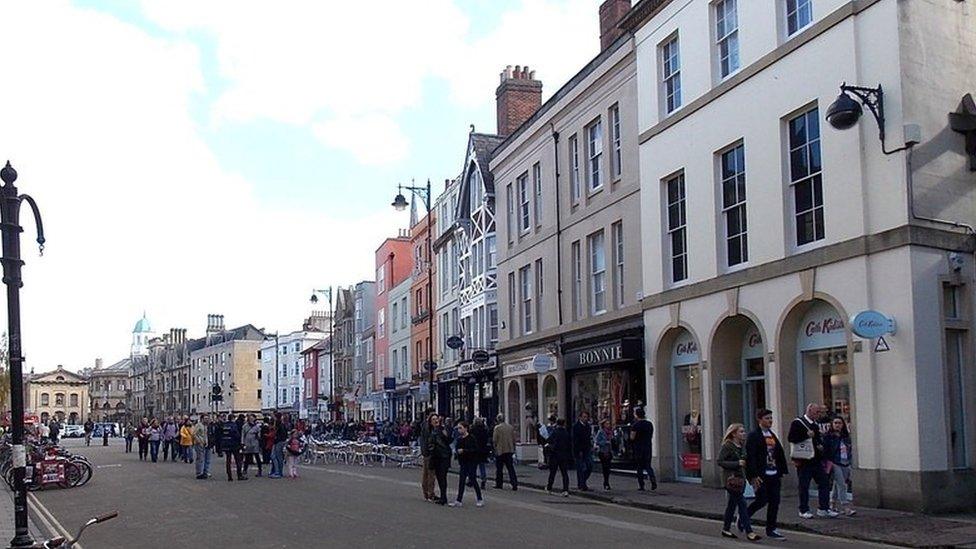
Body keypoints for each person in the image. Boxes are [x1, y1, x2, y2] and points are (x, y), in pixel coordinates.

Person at [746, 408, 789, 541]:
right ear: (759, 420)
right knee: (762, 500)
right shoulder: (754, 436)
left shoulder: (772, 435)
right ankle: (744, 516)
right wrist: (753, 475)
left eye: (771, 418)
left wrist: (781, 470)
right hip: (761, 475)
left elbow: (778, 453)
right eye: (767, 418)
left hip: (774, 473)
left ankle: (771, 529)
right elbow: (751, 457)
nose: (770, 421)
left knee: (775, 501)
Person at [788, 403, 837, 519]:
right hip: (804, 460)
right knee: (804, 485)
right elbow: (791, 438)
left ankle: (823, 508)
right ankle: (803, 509)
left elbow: (816, 439)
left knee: (824, 482)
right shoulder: (797, 423)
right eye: (816, 412)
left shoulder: (815, 425)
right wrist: (805, 435)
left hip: (816, 460)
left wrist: (820, 446)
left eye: (819, 412)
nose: (818, 415)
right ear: (809, 411)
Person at [719, 423, 760, 541]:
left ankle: (726, 529)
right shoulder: (727, 446)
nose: (744, 433)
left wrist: (751, 477)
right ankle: (749, 532)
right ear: (734, 434)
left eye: (744, 431)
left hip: (740, 480)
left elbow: (745, 463)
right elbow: (720, 461)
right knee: (742, 504)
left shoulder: (742, 446)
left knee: (732, 505)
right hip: (730, 480)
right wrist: (736, 464)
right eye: (741, 432)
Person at [824, 416, 855, 516]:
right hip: (835, 462)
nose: (837, 425)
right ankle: (845, 506)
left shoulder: (846, 437)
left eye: (840, 423)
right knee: (841, 484)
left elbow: (849, 449)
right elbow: (827, 450)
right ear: (832, 425)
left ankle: (832, 503)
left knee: (837, 485)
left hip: (845, 462)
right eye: (835, 423)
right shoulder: (829, 437)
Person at [450, 421, 484, 507]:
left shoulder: (471, 438)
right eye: (458, 428)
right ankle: (459, 500)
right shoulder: (459, 439)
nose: (459, 430)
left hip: (471, 462)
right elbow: (457, 448)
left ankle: (480, 498)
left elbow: (475, 450)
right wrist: (457, 453)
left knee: (473, 479)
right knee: (461, 481)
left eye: (460, 428)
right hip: (463, 462)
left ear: (466, 428)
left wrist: (464, 451)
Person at [426, 414, 452, 505]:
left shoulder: (442, 429)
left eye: (436, 419)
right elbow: (429, 443)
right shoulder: (431, 431)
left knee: (442, 477)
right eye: (433, 419)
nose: (435, 421)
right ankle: (442, 497)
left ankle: (444, 497)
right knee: (439, 477)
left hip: (443, 456)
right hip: (435, 457)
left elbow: (448, 440)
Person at [630, 407, 657, 491]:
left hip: (638, 447)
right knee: (648, 466)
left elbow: (632, 437)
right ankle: (653, 481)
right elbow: (651, 434)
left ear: (637, 415)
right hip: (648, 446)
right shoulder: (649, 424)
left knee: (640, 467)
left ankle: (641, 485)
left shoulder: (635, 425)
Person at [546, 419, 572, 497]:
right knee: (564, 473)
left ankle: (549, 487)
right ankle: (565, 490)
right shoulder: (566, 433)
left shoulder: (555, 432)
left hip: (555, 455)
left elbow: (548, 440)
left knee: (552, 472)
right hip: (563, 455)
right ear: (564, 424)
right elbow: (569, 444)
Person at [492, 414, 518, 491]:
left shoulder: (497, 428)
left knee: (499, 469)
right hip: (509, 450)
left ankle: (499, 484)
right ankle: (514, 484)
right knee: (510, 468)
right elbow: (514, 439)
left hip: (500, 450)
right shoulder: (510, 427)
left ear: (498, 420)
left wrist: (495, 448)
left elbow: (494, 440)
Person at [218, 413, 245, 481]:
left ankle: (229, 476)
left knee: (228, 461)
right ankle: (239, 475)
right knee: (238, 460)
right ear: (233, 418)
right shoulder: (234, 425)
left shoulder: (224, 425)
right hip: (234, 445)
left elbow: (221, 435)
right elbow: (237, 435)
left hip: (226, 444)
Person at [572, 411, 593, 491]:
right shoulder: (576, 427)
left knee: (590, 466)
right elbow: (575, 440)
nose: (585, 419)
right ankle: (581, 484)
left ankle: (583, 481)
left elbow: (588, 438)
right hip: (579, 450)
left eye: (586, 417)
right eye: (584, 417)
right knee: (580, 468)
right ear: (580, 417)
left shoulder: (588, 426)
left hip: (587, 449)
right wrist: (578, 450)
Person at [419, 410, 435, 502]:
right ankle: (430, 494)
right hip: (429, 454)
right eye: (434, 419)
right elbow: (425, 441)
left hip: (429, 453)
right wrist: (426, 452)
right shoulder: (427, 428)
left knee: (428, 474)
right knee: (430, 474)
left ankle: (427, 493)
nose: (436, 421)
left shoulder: (430, 427)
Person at [470, 417, 490, 490]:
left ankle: (472, 480)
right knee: (482, 466)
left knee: (473, 467)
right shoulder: (484, 430)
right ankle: (483, 480)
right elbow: (486, 440)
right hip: (482, 451)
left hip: (475, 451)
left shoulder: (472, 430)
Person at [594, 419, 614, 491]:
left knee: (608, 468)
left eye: (609, 424)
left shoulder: (611, 432)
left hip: (609, 452)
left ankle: (606, 482)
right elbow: (597, 441)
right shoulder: (601, 432)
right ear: (603, 425)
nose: (608, 425)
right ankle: (606, 483)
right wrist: (605, 442)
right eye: (607, 424)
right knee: (605, 467)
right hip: (602, 452)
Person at [192, 414, 211, 480]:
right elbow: (194, 434)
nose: (207, 420)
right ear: (202, 419)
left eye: (207, 418)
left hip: (205, 444)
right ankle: (199, 473)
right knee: (200, 458)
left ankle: (205, 471)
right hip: (199, 444)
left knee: (206, 458)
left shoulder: (206, 426)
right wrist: (199, 441)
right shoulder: (198, 425)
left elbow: (206, 434)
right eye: (205, 418)